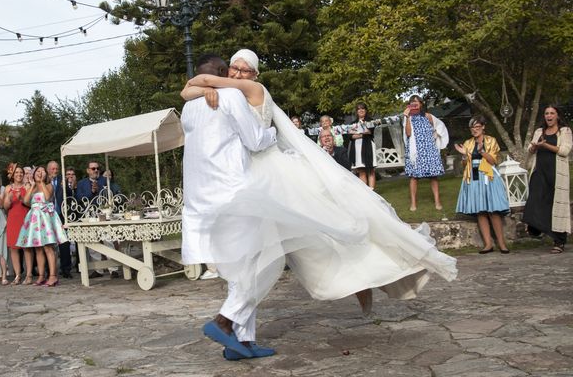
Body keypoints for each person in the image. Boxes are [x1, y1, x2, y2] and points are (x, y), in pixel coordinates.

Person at [183, 49, 457, 350]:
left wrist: (203, 86)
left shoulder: (249, 90)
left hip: (270, 175)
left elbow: (198, 84)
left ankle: (358, 277)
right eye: (234, 68)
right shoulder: (227, 92)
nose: (237, 74)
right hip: (253, 178)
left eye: (244, 70)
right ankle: (242, 336)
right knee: (261, 256)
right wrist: (204, 88)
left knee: (298, 242)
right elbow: (195, 87)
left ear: (255, 76)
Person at [181, 53, 278, 360]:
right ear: (223, 72)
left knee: (240, 269)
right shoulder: (233, 98)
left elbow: (190, 92)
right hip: (235, 192)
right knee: (260, 264)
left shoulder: (187, 108)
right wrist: (278, 134)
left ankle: (243, 341)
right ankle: (224, 321)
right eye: (233, 69)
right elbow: (256, 140)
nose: (237, 75)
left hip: (202, 199)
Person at [454, 116, 510, 254]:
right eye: (472, 127)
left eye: (477, 127)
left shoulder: (491, 141)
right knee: (481, 211)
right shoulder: (468, 143)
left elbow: (493, 161)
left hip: (488, 176)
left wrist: (481, 151)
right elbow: (464, 164)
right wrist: (463, 155)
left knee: (493, 211)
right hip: (473, 177)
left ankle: (502, 244)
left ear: (483, 127)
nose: (475, 130)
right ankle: (488, 244)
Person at [522, 105, 572, 254]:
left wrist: (546, 145)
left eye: (552, 113)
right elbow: (530, 151)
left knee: (557, 206)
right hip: (540, 172)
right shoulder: (539, 131)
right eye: (546, 113)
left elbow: (564, 150)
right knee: (535, 200)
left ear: (557, 115)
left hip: (556, 173)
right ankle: (536, 229)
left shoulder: (565, 131)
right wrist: (535, 147)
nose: (549, 116)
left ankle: (559, 241)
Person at [17, 166, 68, 287]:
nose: (40, 173)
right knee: (38, 248)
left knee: (48, 247)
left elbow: (47, 197)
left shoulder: (49, 185)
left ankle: (53, 276)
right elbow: (25, 201)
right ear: (34, 174)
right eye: (38, 172)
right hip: (34, 219)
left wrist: (41, 183)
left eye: (43, 171)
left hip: (45, 217)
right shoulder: (32, 187)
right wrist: (33, 185)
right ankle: (41, 276)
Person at [403, 95, 447, 211]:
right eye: (412, 102)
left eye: (417, 102)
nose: (415, 104)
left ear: (421, 104)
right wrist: (407, 117)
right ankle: (413, 203)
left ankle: (437, 202)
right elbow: (408, 134)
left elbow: (440, 126)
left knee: (433, 176)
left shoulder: (428, 116)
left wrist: (436, 136)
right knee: (414, 177)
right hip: (415, 151)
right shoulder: (408, 118)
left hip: (429, 149)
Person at [76, 161, 117, 278]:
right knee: (92, 241)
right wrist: (92, 192)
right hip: (89, 215)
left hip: (103, 214)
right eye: (93, 168)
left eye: (97, 168)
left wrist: (99, 190)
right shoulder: (81, 183)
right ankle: (98, 269)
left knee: (107, 240)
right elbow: (79, 197)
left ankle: (113, 268)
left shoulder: (104, 181)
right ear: (88, 170)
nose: (95, 170)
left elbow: (111, 194)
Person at [3, 163, 30, 284]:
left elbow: (30, 204)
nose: (19, 174)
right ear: (12, 175)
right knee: (13, 248)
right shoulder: (8, 188)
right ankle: (18, 275)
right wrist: (8, 198)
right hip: (13, 218)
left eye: (21, 173)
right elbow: (5, 207)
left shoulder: (28, 186)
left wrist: (21, 200)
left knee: (26, 247)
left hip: (25, 218)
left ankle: (28, 275)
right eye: (17, 173)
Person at [48, 161, 72, 279]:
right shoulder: (45, 181)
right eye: (52, 169)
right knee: (48, 242)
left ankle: (66, 269)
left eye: (56, 169)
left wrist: (65, 187)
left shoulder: (63, 180)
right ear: (48, 170)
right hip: (47, 215)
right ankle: (50, 270)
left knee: (64, 242)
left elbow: (69, 195)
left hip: (61, 214)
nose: (55, 171)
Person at [348, 103, 377, 189]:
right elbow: (351, 136)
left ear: (366, 110)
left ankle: (372, 192)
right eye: (358, 109)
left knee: (370, 169)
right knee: (361, 170)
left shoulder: (371, 121)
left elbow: (369, 132)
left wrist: (358, 134)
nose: (361, 110)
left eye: (362, 108)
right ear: (356, 111)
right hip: (357, 147)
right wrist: (362, 134)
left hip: (368, 146)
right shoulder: (353, 123)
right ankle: (366, 192)